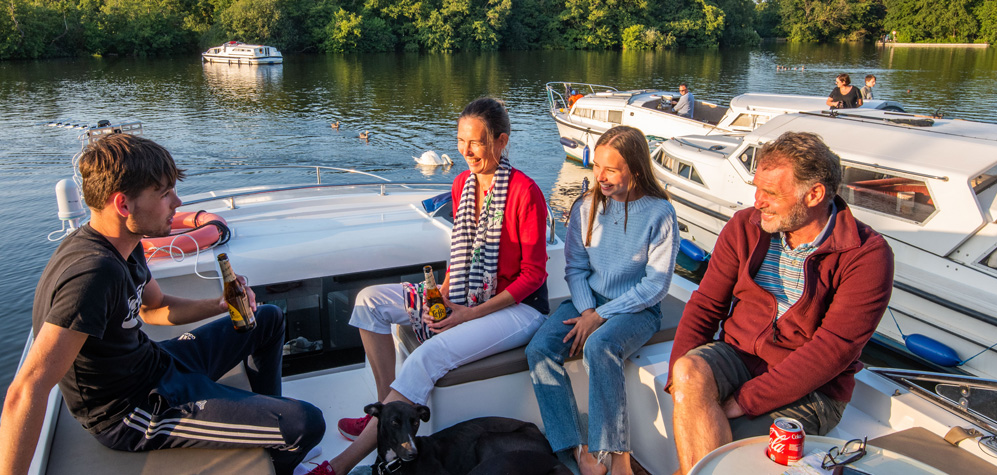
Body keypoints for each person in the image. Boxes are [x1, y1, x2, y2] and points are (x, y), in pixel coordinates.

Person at [0, 134, 324, 475]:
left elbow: (155, 308)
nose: (177, 201)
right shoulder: (92, 275)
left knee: (267, 319)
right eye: (164, 192)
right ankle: (278, 450)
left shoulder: (125, 242)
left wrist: (220, 304)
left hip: (155, 363)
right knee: (305, 424)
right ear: (123, 204)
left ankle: (266, 416)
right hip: (132, 411)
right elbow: (27, 389)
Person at [316, 97, 549, 475]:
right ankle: (385, 409)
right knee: (368, 301)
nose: (465, 151)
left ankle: (340, 465)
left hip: (518, 309)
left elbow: (534, 274)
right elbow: (464, 256)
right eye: (461, 140)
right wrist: (439, 293)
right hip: (466, 296)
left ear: (501, 142)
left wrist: (468, 314)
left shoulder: (525, 192)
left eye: (476, 142)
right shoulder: (462, 185)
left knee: (429, 354)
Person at [666, 132, 893, 475]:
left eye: (771, 193)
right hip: (736, 357)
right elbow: (706, 304)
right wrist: (678, 384)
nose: (757, 201)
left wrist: (745, 400)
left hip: (815, 390)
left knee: (729, 456)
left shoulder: (867, 255)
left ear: (814, 194)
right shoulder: (745, 226)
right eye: (757, 188)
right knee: (687, 371)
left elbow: (833, 351)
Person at [527, 126, 679, 475]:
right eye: (597, 166)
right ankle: (578, 448)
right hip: (588, 300)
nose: (600, 176)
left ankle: (618, 459)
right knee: (539, 351)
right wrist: (587, 310)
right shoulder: (585, 206)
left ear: (636, 169)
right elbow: (576, 269)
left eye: (611, 169)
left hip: (638, 308)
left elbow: (655, 287)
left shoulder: (660, 213)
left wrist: (599, 317)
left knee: (600, 346)